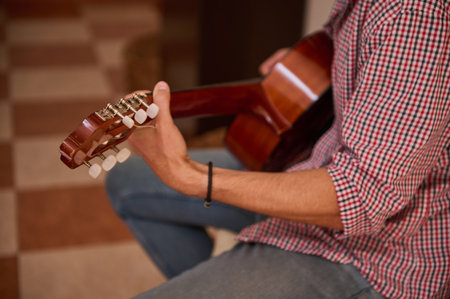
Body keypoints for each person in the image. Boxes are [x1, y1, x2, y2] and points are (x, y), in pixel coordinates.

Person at [105, 0, 449, 298]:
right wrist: (311, 64)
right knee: (126, 182)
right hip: (313, 164)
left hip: (378, 255)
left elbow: (361, 194)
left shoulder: (413, 14)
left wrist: (193, 177)